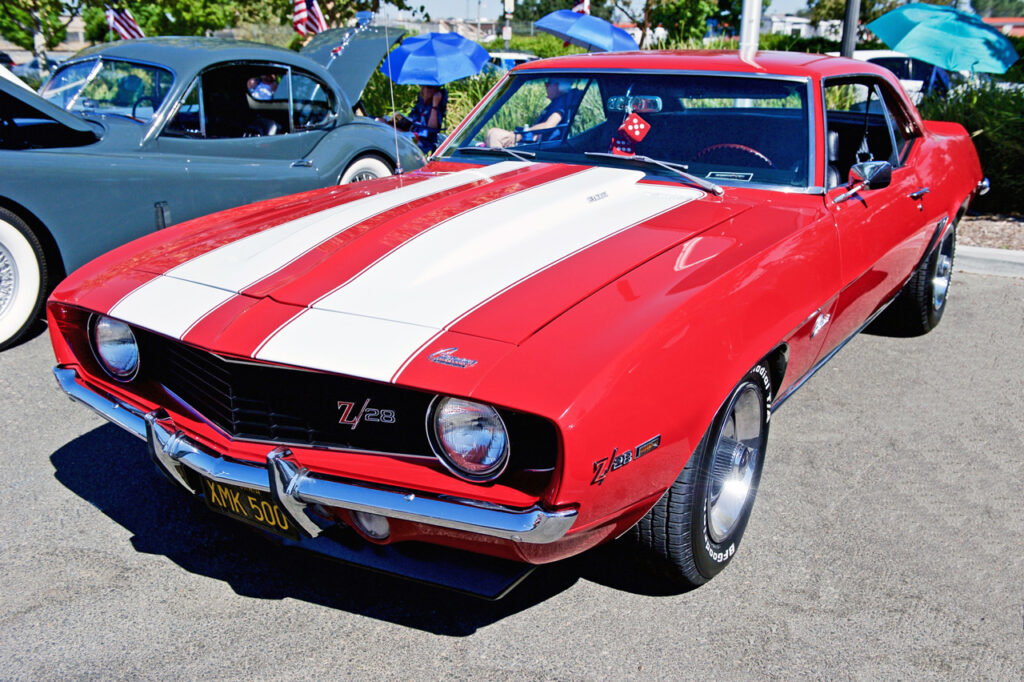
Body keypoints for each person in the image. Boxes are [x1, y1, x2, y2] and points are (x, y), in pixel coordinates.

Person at [485, 78, 576, 148]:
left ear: (557, 86)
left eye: (547, 84)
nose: (545, 87)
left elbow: (549, 125)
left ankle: (500, 169)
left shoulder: (560, 105)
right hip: (534, 141)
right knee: (492, 132)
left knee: (494, 134)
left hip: (537, 145)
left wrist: (522, 134)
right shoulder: (558, 102)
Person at [379, 84, 448, 154]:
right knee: (381, 122)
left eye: (430, 87)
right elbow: (411, 121)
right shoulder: (420, 104)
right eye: (423, 86)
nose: (425, 89)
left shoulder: (436, 108)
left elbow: (432, 129)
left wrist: (435, 104)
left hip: (421, 139)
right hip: (410, 131)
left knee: (386, 127)